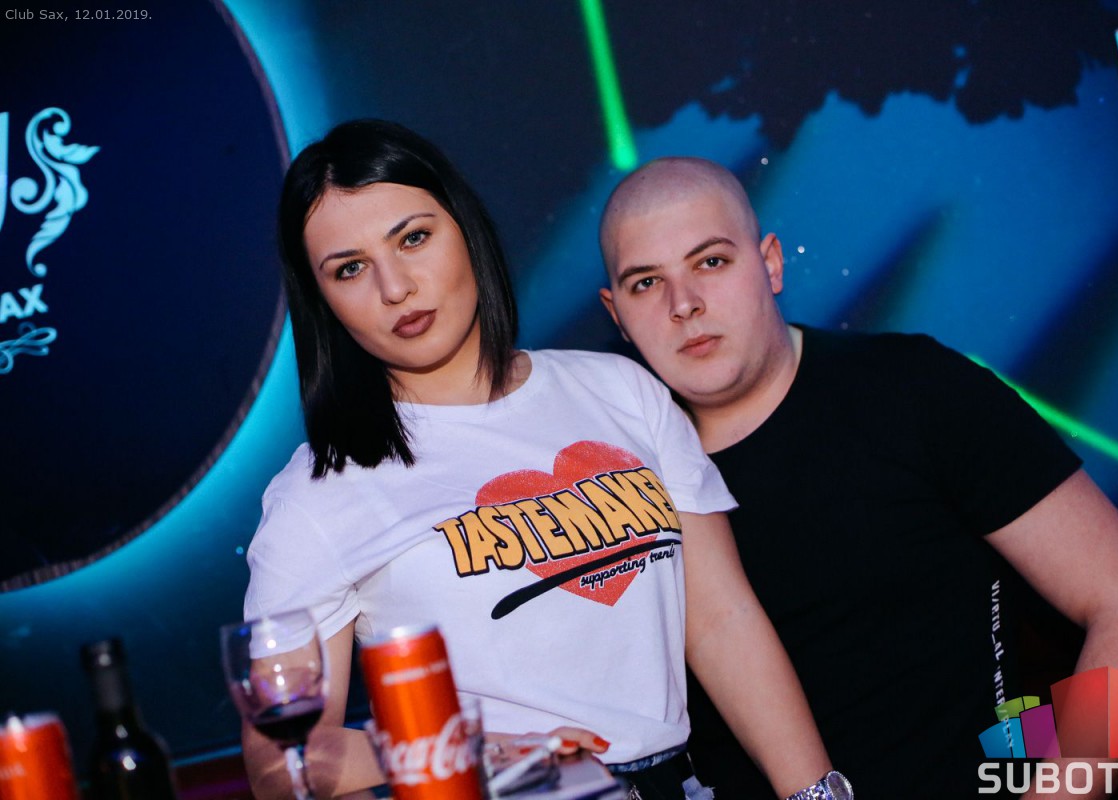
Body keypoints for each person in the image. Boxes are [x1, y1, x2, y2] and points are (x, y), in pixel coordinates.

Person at [241, 121, 836, 800]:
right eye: (349, 269)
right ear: (321, 299)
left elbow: (723, 621)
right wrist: (469, 742)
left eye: (413, 238)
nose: (395, 287)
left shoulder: (621, 391)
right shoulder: (318, 492)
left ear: (465, 228)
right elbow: (278, 762)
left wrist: (817, 793)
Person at [597, 156, 1118, 798]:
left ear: (770, 263)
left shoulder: (916, 392)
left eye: (711, 261)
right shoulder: (614, 490)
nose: (684, 304)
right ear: (616, 314)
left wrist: (1063, 792)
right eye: (646, 283)